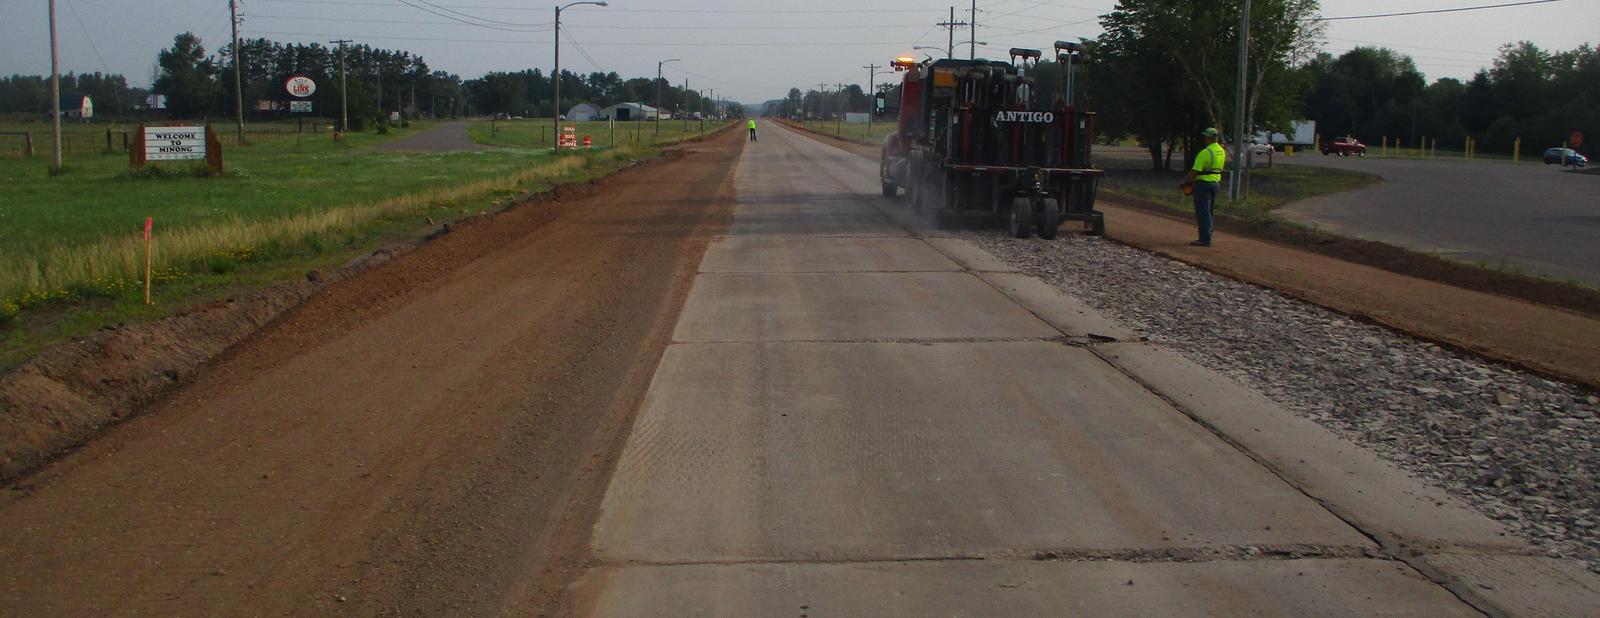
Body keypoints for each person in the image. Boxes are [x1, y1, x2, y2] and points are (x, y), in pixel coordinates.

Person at [1180, 127, 1226, 247]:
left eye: (1205, 136)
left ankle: (1204, 239)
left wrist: (1185, 181)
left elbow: (1195, 170)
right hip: (1215, 184)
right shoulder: (1221, 151)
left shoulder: (1205, 153)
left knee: (1202, 211)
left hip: (1203, 184)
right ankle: (1208, 233)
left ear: (1208, 138)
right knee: (1209, 211)